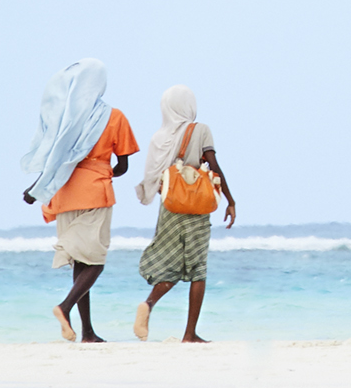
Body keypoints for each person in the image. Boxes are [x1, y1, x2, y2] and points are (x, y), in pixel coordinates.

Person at [20, 59, 138, 346]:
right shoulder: (114, 117)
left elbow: (52, 157)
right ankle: (65, 307)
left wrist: (37, 188)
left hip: (63, 192)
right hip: (95, 193)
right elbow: (122, 165)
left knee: (81, 262)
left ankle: (87, 332)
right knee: (96, 261)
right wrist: (100, 169)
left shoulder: (63, 118)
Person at [134, 85, 237, 343]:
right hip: (197, 205)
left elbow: (153, 177)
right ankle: (189, 334)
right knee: (197, 268)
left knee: (171, 262)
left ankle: (149, 304)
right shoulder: (200, 129)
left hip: (170, 206)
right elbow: (212, 164)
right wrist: (230, 199)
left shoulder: (159, 137)